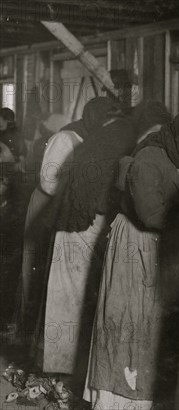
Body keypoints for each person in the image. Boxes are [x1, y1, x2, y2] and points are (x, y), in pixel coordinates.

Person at [84, 103, 179, 410]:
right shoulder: (148, 158)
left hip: (159, 243)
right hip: (136, 244)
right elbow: (151, 214)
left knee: (149, 322)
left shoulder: (178, 158)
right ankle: (118, 398)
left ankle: (142, 395)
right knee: (130, 318)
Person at [39, 98, 138, 388]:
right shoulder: (102, 137)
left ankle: (64, 366)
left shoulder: (101, 138)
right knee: (70, 295)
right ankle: (63, 367)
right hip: (79, 222)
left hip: (81, 221)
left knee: (70, 295)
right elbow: (51, 182)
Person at [19, 99, 116, 344]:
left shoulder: (93, 140)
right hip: (47, 204)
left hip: (63, 206)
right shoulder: (66, 138)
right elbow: (47, 180)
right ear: (94, 117)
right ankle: (27, 328)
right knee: (37, 262)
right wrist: (75, 191)